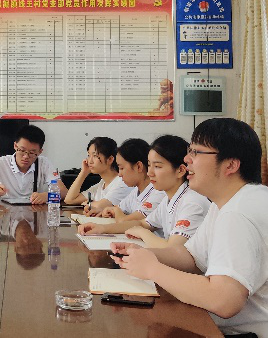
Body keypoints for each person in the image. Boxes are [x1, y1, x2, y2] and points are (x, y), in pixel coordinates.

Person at [111, 118, 268, 337]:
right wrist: (143, 253)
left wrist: (153, 269)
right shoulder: (227, 202)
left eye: (196, 152)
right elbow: (191, 257)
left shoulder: (238, 213)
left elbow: (224, 300)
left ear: (231, 165)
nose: (186, 159)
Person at [79, 135, 211, 248]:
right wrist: (102, 229)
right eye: (149, 165)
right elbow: (143, 223)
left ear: (180, 170)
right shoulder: (169, 198)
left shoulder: (192, 202)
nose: (149, 173)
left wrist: (141, 232)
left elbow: (172, 248)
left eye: (157, 166)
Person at [0, 125, 67, 204]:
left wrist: (47, 196)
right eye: (22, 150)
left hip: (34, 216)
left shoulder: (44, 164)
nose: (26, 156)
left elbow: (64, 192)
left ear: (40, 152)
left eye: (32, 153)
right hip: (5, 215)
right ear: (15, 146)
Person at [100, 138, 165, 222]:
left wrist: (116, 211)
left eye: (122, 168)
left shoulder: (158, 192)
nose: (119, 174)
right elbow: (118, 209)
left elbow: (124, 221)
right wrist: (110, 211)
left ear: (139, 167)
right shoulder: (136, 191)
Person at [63, 136, 133, 215]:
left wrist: (88, 203)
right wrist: (83, 172)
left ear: (110, 159)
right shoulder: (101, 184)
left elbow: (100, 206)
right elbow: (69, 200)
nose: (90, 161)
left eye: (95, 156)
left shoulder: (122, 182)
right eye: (89, 155)